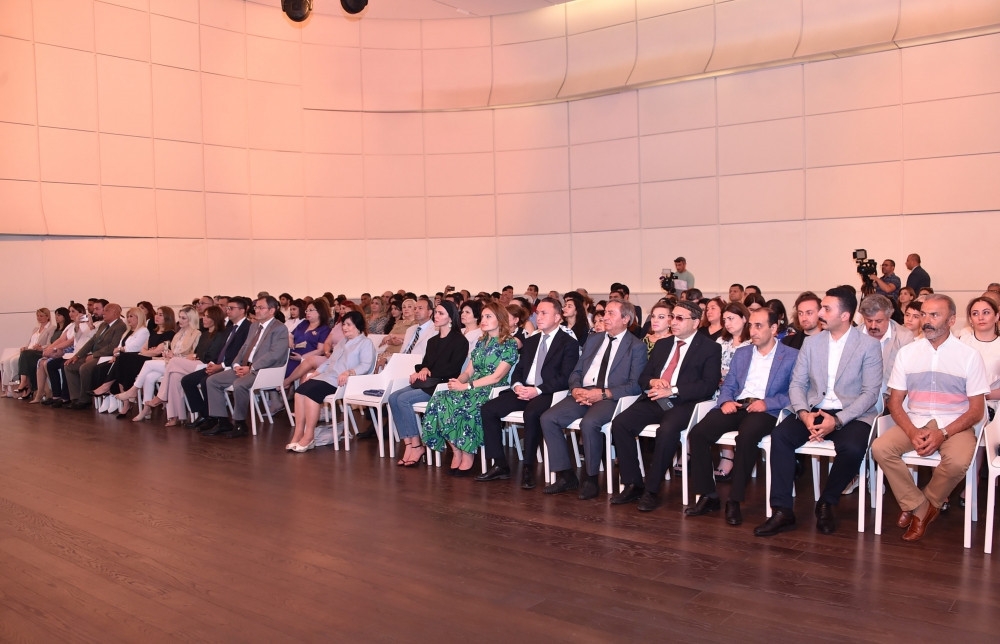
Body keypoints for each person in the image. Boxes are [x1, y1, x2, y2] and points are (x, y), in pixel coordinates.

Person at [754, 286, 882, 537]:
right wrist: (803, 413)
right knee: (780, 437)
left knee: (853, 447)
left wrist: (838, 420)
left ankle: (826, 502)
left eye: (826, 309)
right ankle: (782, 510)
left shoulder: (868, 345)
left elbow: (870, 394)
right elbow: (797, 384)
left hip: (851, 412)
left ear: (845, 316)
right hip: (813, 408)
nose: (820, 313)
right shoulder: (812, 343)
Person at [872, 294, 989, 542]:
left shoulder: (969, 356)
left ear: (952, 320)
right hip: (915, 419)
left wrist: (943, 433)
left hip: (955, 423)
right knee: (881, 448)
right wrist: (912, 432)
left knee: (957, 462)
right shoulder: (907, 353)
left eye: (935, 315)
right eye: (924, 314)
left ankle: (925, 503)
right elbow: (895, 402)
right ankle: (920, 507)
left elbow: (977, 410)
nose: (926, 320)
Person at [686, 307, 798, 525]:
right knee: (698, 433)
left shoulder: (791, 355)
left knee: (746, 437)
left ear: (774, 329)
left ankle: (734, 500)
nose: (753, 331)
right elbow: (729, 384)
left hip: (766, 409)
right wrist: (726, 401)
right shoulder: (743, 353)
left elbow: (795, 392)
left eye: (759, 326)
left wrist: (767, 403)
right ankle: (708, 495)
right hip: (738, 404)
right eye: (751, 325)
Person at [608, 300, 722, 512]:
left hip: (686, 403)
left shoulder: (710, 348)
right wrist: (653, 381)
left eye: (679, 318)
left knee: (667, 430)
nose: (673, 322)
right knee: (621, 423)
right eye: (672, 317)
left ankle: (651, 490)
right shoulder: (663, 345)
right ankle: (633, 484)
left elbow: (708, 385)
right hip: (656, 399)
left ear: (695, 322)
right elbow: (643, 378)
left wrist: (673, 390)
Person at [539, 300, 648, 498]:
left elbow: (635, 385)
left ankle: (590, 478)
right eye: (605, 312)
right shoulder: (594, 339)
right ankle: (566, 476)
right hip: (584, 392)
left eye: (611, 313)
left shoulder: (636, 346)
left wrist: (603, 393)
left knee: (589, 423)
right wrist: (575, 389)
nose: (605, 317)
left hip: (610, 397)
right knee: (548, 418)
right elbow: (576, 371)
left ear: (625, 319)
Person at [477, 298, 580, 488]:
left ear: (558, 317)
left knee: (532, 413)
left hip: (548, 392)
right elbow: (519, 369)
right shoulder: (532, 341)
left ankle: (528, 467)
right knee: (488, 409)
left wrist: (537, 390)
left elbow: (565, 377)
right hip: (524, 389)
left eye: (544, 313)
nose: (538, 317)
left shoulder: (568, 343)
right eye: (537, 313)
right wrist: (517, 385)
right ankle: (500, 464)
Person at [421, 300, 520, 475]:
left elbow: (497, 376)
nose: (483, 320)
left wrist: (466, 386)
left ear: (500, 319)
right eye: (482, 316)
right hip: (471, 385)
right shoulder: (481, 343)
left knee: (464, 405)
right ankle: (456, 450)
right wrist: (457, 382)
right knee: (439, 399)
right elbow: (468, 372)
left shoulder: (509, 343)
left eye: (488, 316)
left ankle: (468, 453)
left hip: (492, 388)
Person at [388, 301, 469, 466]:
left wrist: (428, 371)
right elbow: (426, 363)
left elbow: (453, 369)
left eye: (441, 313)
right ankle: (409, 444)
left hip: (443, 384)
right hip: (429, 382)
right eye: (436, 313)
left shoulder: (460, 341)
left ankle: (417, 446)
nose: (436, 316)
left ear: (451, 318)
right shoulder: (433, 341)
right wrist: (423, 369)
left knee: (403, 399)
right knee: (392, 397)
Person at [200, 296, 290, 439]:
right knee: (212, 381)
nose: (257, 310)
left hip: (264, 370)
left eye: (261, 307)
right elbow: (244, 347)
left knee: (239, 384)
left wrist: (252, 367)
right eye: (256, 307)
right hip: (245, 367)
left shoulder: (279, 328)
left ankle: (240, 423)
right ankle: (222, 421)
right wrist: (236, 364)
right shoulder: (254, 326)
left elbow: (275, 354)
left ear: (272, 310)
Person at [286, 310, 376, 452]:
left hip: (344, 381)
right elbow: (329, 362)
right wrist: (315, 373)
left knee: (311, 395)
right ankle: (298, 433)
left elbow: (366, 365)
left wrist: (349, 372)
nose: (344, 327)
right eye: (344, 324)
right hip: (328, 377)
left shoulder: (365, 343)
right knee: (299, 392)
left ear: (358, 326)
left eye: (349, 325)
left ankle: (309, 436)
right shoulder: (342, 342)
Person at [152, 305, 227, 427]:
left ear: (215, 318)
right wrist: (196, 355)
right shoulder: (205, 334)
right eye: (204, 316)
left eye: (207, 317)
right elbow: (198, 352)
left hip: (207, 365)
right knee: (175, 376)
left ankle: (161, 395)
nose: (204, 319)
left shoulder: (220, 335)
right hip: (197, 363)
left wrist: (196, 355)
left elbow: (211, 356)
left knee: (173, 361)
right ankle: (177, 416)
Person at [184, 298, 252, 429]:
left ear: (242, 310)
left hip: (232, 366)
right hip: (220, 364)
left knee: (206, 381)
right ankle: (205, 414)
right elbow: (223, 349)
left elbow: (239, 353)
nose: (228, 311)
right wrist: (213, 363)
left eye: (231, 308)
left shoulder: (247, 328)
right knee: (187, 381)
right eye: (227, 308)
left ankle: (216, 419)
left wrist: (221, 366)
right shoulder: (231, 327)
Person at [126, 306, 200, 421]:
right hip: (170, 362)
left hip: (182, 365)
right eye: (180, 317)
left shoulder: (196, 334)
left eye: (184, 318)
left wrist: (174, 355)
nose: (180, 320)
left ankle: (135, 389)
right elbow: (170, 351)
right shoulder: (178, 334)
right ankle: (146, 409)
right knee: (149, 377)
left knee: (148, 364)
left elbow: (194, 354)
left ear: (191, 319)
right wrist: (169, 354)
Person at [93, 306, 174, 401]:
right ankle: (112, 391)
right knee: (117, 361)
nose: (156, 316)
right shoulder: (153, 332)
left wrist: (149, 351)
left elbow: (157, 352)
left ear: (167, 317)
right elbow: (143, 349)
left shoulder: (170, 333)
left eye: (160, 315)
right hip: (146, 358)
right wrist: (149, 351)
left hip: (156, 360)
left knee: (124, 358)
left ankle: (110, 388)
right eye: (156, 314)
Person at [712, 301, 751, 478]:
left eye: (731, 318)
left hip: (741, 391)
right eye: (725, 319)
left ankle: (729, 456)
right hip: (717, 387)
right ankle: (725, 454)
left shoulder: (752, 343)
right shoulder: (721, 341)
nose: (727, 323)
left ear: (744, 318)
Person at [63, 303, 127, 409]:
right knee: (69, 366)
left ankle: (85, 400)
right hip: (95, 355)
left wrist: (94, 355)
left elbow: (113, 346)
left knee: (85, 368)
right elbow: (92, 341)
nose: (103, 313)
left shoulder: (120, 326)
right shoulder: (103, 325)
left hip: (106, 356)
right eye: (104, 310)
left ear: (115, 313)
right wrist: (77, 356)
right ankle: (75, 398)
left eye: (106, 310)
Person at [858, 294, 914, 399]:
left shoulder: (904, 337)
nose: (873, 326)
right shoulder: (854, 336)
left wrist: (888, 398)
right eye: (869, 321)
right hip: (857, 396)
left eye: (878, 321)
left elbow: (907, 376)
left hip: (891, 397)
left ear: (889, 317)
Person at [960, 296, 1000, 419]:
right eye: (975, 313)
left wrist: (982, 396)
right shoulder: (961, 343)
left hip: (990, 407)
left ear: (997, 316)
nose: (980, 317)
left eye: (986, 313)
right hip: (959, 405)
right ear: (970, 319)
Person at [5, 308, 55, 399]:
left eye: (41, 316)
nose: (39, 318)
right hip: (29, 351)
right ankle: (12, 386)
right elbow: (30, 343)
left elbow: (49, 344)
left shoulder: (51, 328)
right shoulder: (36, 329)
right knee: (9, 361)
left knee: (21, 358)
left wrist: (41, 347)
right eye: (38, 316)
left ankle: (24, 383)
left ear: (47, 317)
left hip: (38, 352)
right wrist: (25, 347)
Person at [23, 307, 68, 402]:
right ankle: (39, 390)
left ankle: (38, 390)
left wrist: (46, 349)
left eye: (59, 315)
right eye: (56, 315)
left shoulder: (56, 329)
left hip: (57, 352)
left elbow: (55, 343)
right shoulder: (57, 329)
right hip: (48, 351)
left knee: (39, 361)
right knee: (33, 359)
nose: (56, 317)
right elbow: (52, 343)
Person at [286, 299, 332, 378]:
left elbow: (320, 350)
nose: (307, 313)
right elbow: (291, 335)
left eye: (311, 310)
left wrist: (302, 358)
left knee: (287, 373)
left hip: (305, 359)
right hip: (291, 355)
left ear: (320, 311)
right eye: (306, 310)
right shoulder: (304, 323)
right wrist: (290, 341)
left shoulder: (324, 329)